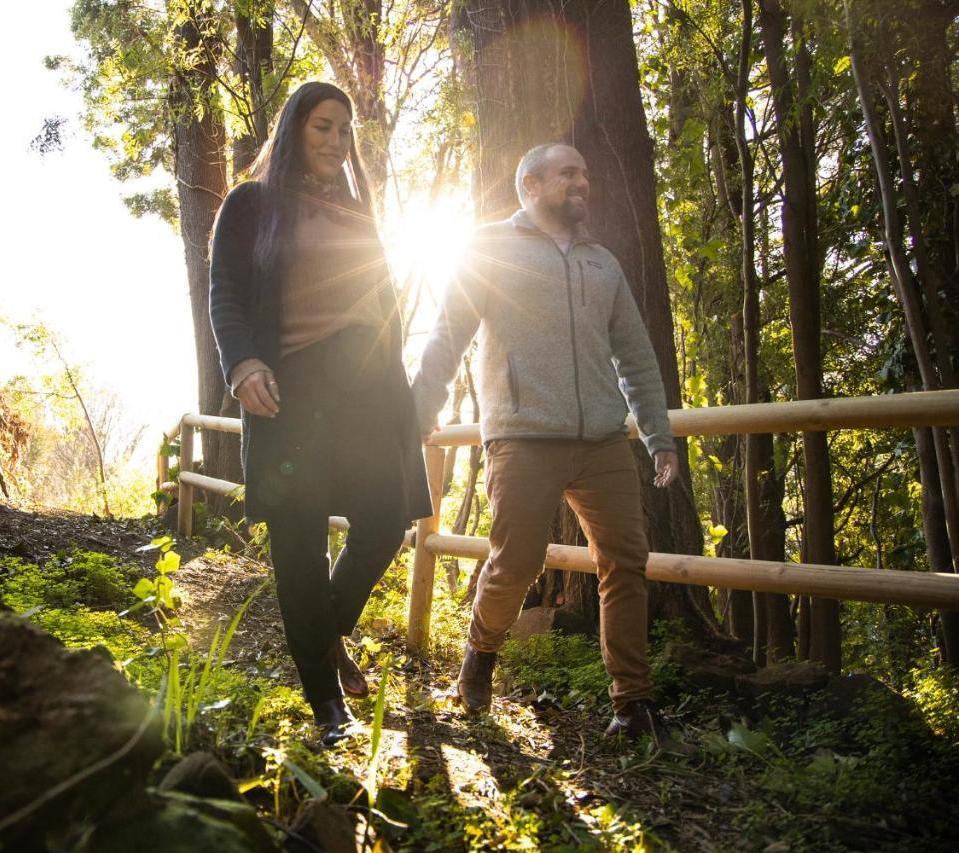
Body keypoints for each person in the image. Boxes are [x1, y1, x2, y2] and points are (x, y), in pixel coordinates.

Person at [411, 142, 680, 740]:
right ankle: (481, 653)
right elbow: (448, 334)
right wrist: (418, 412)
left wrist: (658, 435)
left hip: (604, 441)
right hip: (523, 436)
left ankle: (631, 703)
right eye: (568, 173)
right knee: (517, 562)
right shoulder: (487, 246)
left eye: (585, 171)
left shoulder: (602, 263)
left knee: (626, 564)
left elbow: (635, 356)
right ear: (530, 184)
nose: (583, 181)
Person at [208, 81, 432, 747]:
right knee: (298, 540)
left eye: (345, 131)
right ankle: (326, 699)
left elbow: (383, 305)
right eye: (323, 128)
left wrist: (403, 390)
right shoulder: (252, 204)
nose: (337, 142)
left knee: (387, 519)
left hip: (366, 386)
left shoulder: (359, 213)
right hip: (291, 388)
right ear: (293, 130)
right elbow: (224, 292)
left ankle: (322, 632)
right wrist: (244, 363)